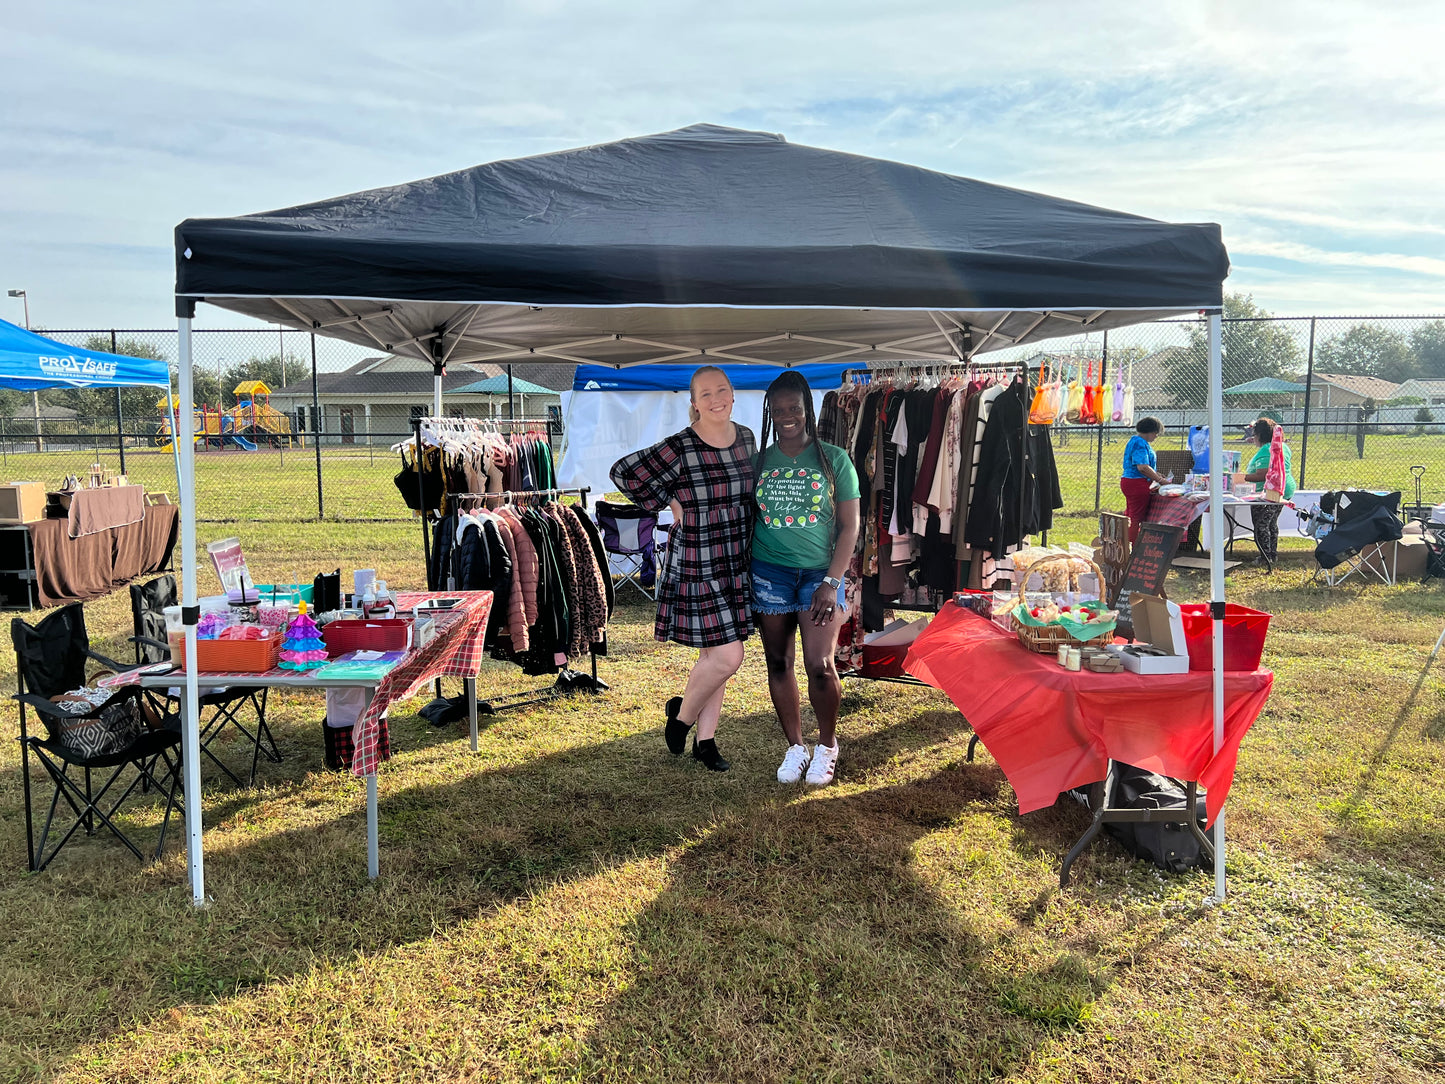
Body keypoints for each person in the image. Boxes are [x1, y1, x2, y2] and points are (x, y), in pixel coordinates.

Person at [610, 366, 756, 772]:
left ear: (732, 393)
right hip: (698, 558)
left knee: (714, 654)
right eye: (705, 394)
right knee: (729, 656)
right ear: (694, 402)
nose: (715, 399)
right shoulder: (680, 446)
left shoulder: (746, 437)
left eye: (721, 390)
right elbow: (623, 472)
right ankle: (681, 718)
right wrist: (668, 498)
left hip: (735, 557)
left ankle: (705, 742)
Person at [752, 372, 861, 787]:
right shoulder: (760, 462)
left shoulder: (834, 460)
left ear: (807, 410)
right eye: (777, 411)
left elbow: (850, 527)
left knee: (820, 664)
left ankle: (827, 745)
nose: (786, 417)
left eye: (793, 409)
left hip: (820, 575)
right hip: (769, 572)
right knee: (778, 662)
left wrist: (831, 583)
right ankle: (795, 746)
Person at [1242, 417, 1297, 567]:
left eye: (1254, 434)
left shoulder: (1266, 450)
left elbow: (1263, 475)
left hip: (1270, 492)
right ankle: (1272, 553)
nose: (1252, 437)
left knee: (1261, 524)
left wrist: (1240, 477)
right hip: (1284, 490)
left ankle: (1265, 556)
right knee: (1271, 523)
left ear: (1259, 435)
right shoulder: (1281, 446)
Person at [1120, 416, 1169, 543]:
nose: (1156, 436)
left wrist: (1156, 474)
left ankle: (1123, 543)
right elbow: (1142, 467)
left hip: (1130, 481)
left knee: (1130, 515)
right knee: (1136, 517)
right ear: (1151, 431)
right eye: (1156, 433)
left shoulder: (1135, 441)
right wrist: (1160, 480)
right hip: (1137, 483)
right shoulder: (1140, 443)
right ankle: (1132, 547)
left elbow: (1144, 466)